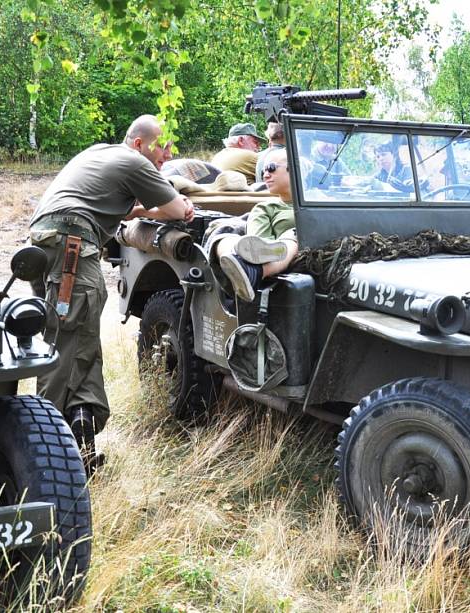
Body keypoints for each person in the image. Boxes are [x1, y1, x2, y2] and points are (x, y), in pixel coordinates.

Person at [29, 114, 195, 474]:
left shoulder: (102, 154)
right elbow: (179, 210)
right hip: (72, 248)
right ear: (139, 143)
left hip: (49, 244)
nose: (165, 158)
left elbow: (127, 207)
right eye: (161, 150)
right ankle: (45, 458)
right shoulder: (135, 161)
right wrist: (183, 204)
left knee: (81, 344)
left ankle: (81, 448)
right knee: (66, 345)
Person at [207, 148, 299, 302]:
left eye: (271, 168)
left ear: (294, 169)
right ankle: (251, 270)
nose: (265, 175)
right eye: (264, 170)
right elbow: (260, 247)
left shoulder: (322, 201)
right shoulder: (266, 208)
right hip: (280, 254)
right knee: (293, 235)